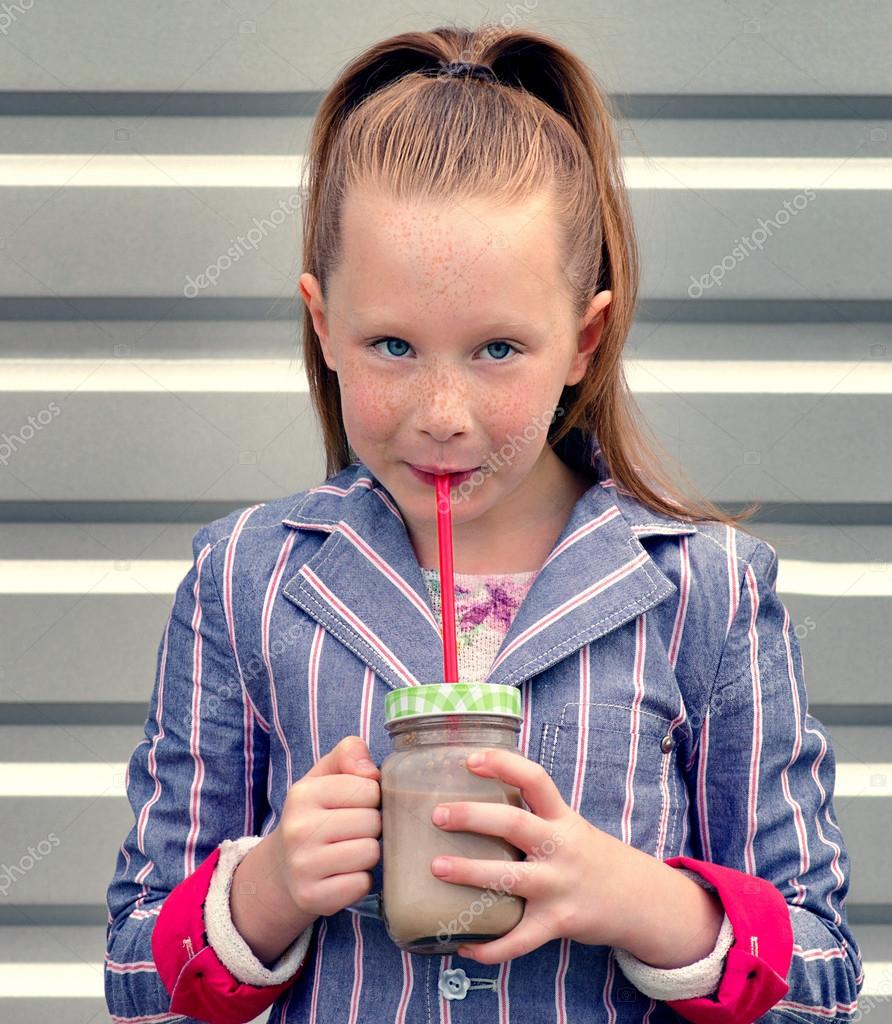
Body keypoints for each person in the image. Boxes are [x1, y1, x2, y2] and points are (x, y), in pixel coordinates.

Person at [104, 24, 864, 1024]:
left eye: (498, 347)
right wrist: (265, 892)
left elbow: (821, 979)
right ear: (321, 322)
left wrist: (644, 903)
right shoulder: (246, 579)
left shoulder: (706, 594)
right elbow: (134, 976)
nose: (443, 412)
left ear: (583, 339)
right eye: (391, 344)